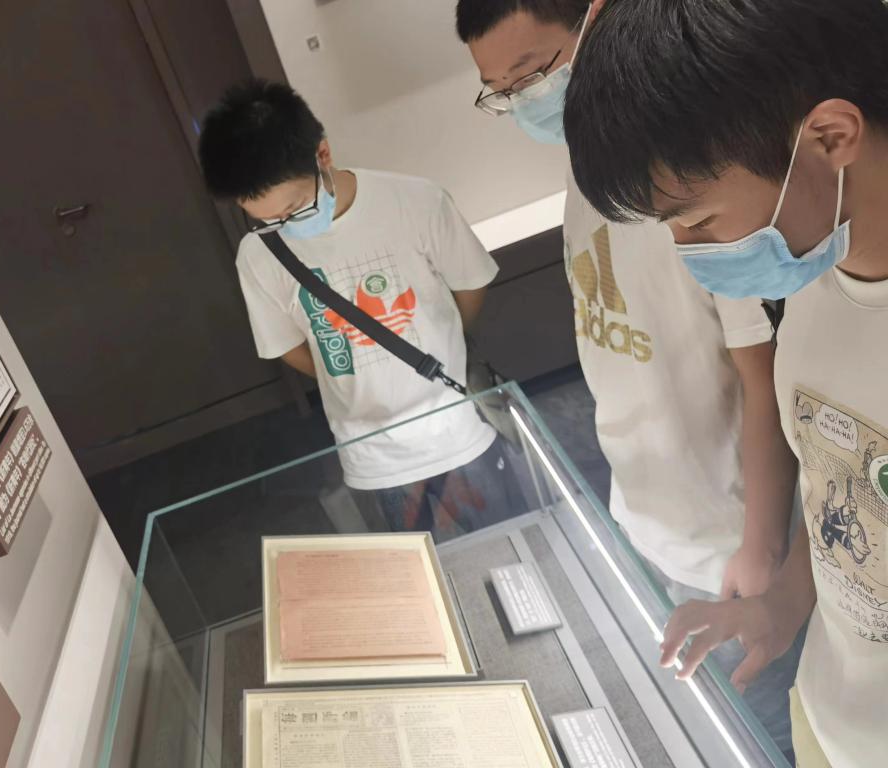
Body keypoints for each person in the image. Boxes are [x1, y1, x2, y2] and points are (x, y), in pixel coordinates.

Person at [455, 0, 800, 754]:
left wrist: (762, 542)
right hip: (651, 518)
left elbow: (763, 375)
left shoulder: (693, 177)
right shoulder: (587, 170)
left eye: (531, 74)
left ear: (593, 19)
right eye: (501, 91)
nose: (523, 102)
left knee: (766, 729)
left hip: (734, 540)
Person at [563, 0, 888, 765]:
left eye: (699, 220)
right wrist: (784, 603)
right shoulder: (814, 280)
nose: (689, 251)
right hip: (828, 719)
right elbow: (850, 503)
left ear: (829, 137)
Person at [198, 79, 518, 541]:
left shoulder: (416, 202)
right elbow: (285, 345)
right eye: (265, 219)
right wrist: (343, 379)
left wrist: (446, 343)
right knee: (416, 572)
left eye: (293, 208)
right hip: (373, 457)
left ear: (322, 155)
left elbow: (469, 286)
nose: (283, 225)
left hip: (460, 427)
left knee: (510, 544)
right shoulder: (259, 254)